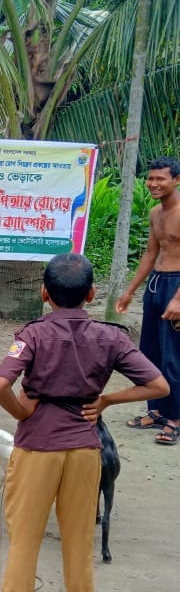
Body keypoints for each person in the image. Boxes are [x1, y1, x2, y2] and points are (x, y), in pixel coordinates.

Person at [0, 253, 168, 592]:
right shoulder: (111, 337)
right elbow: (159, 386)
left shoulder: (32, 335)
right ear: (91, 294)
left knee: (26, 534)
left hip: (38, 448)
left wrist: (22, 411)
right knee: (78, 533)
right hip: (85, 449)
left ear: (44, 293)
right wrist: (106, 400)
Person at [115, 156, 180, 446]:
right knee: (151, 351)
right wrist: (130, 291)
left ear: (176, 180)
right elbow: (150, 253)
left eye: (160, 179)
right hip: (156, 284)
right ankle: (156, 410)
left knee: (174, 355)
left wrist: (178, 299)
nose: (153, 183)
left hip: (177, 286)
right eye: (150, 178)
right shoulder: (155, 213)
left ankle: (175, 418)